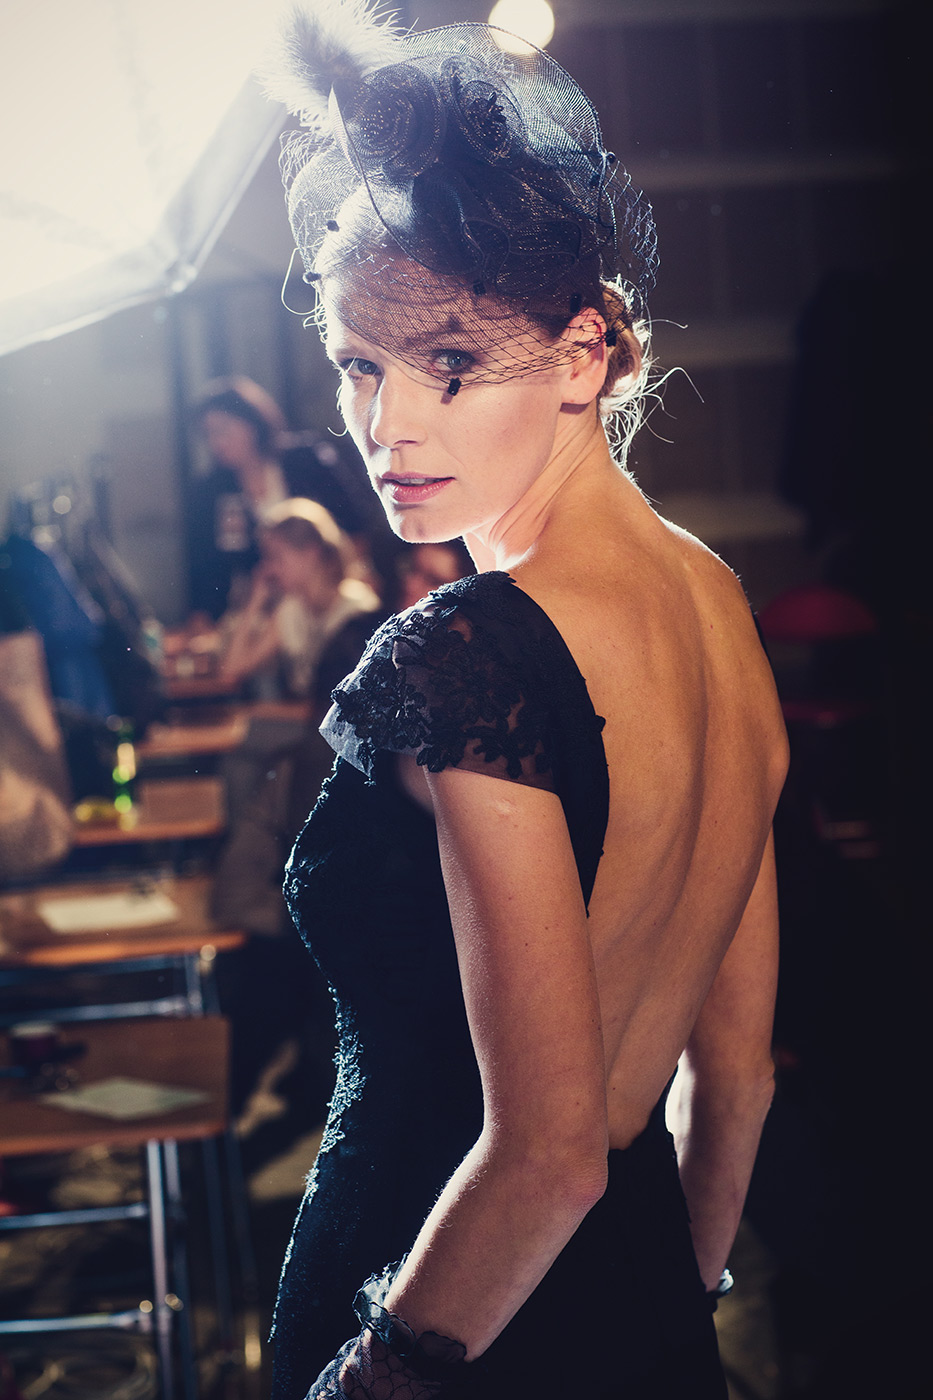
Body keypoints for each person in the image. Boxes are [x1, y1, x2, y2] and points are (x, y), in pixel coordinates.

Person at [261, 7, 788, 1398]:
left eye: (449, 361)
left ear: (584, 352)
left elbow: (549, 1151)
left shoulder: (465, 657)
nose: (388, 424)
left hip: (455, 1326)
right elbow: (736, 1077)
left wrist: (373, 1382)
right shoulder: (718, 604)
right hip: (639, 1308)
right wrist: (670, 1312)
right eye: (359, 363)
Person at [189, 376, 385, 617]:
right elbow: (212, 566)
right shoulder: (215, 490)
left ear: (251, 423)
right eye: (208, 434)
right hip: (270, 604)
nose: (216, 442)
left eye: (223, 429)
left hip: (331, 587)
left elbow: (357, 524)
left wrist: (349, 575)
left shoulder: (304, 459)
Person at [219, 497, 381, 700]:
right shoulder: (292, 609)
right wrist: (256, 600)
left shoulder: (357, 609)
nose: (269, 569)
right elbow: (232, 669)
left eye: (276, 557)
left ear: (311, 553)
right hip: (307, 717)